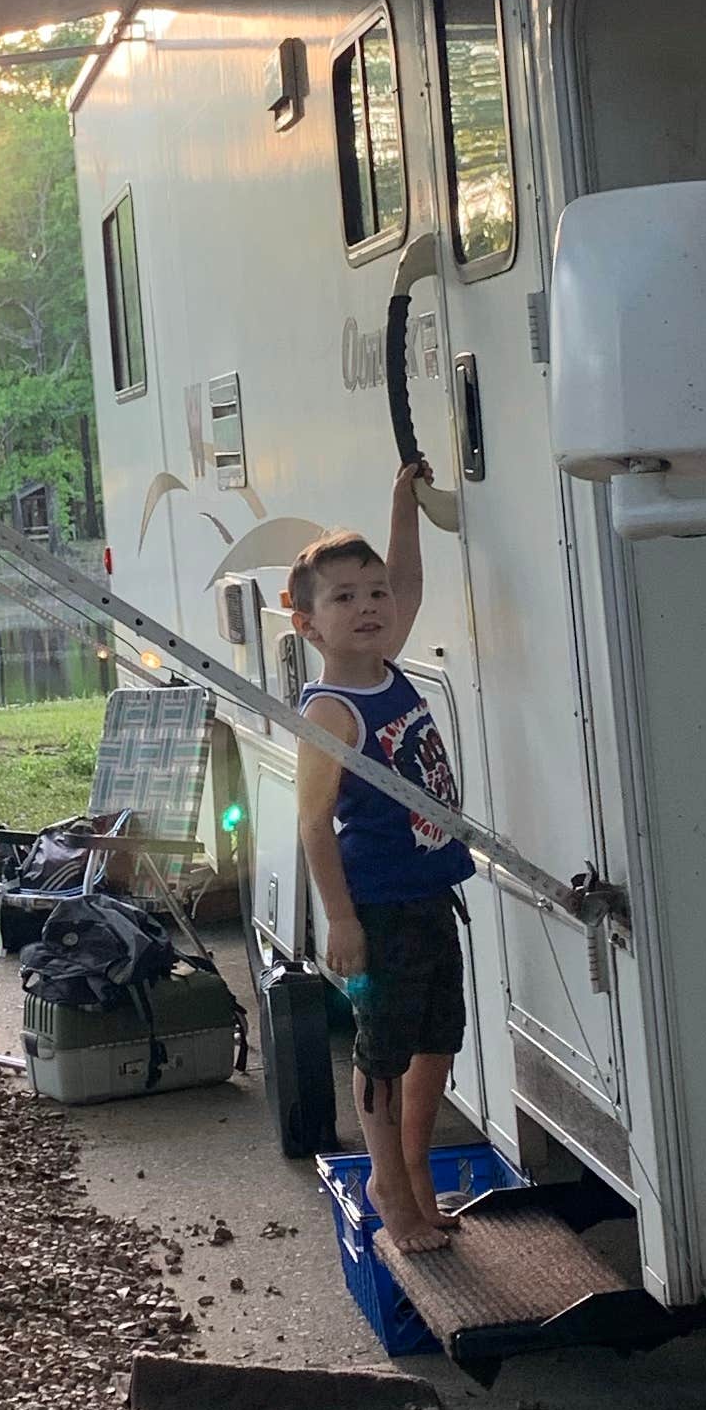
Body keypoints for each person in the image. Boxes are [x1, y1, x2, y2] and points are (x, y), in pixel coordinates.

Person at [287, 462, 474, 1256]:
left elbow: (408, 577)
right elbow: (315, 824)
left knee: (439, 1040)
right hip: (380, 910)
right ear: (309, 626)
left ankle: (417, 1173)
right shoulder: (331, 711)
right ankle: (387, 1190)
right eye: (343, 598)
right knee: (383, 1053)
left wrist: (404, 505)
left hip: (433, 894)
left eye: (373, 595)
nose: (368, 606)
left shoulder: (387, 664)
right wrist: (341, 920)